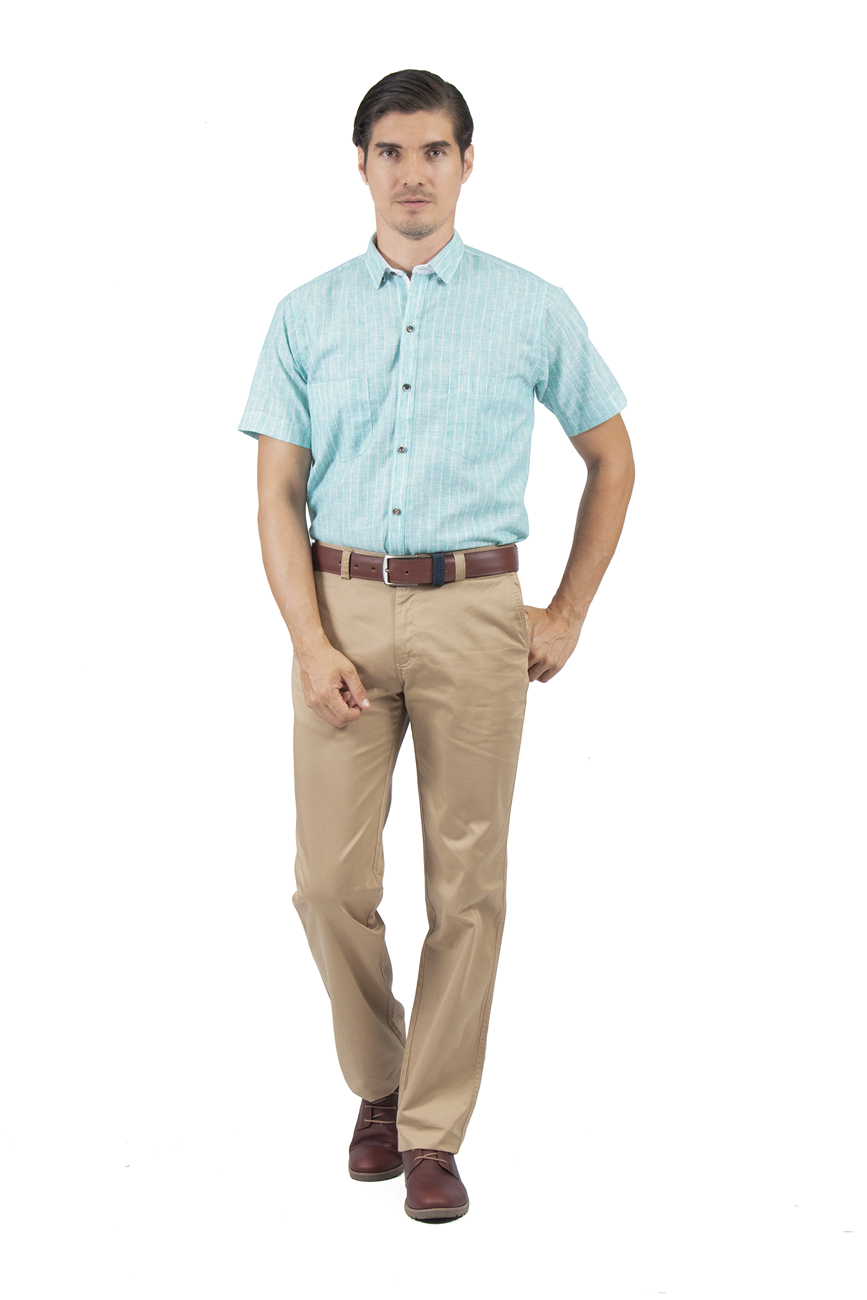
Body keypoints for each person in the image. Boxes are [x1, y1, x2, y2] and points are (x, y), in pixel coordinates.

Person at [238, 68, 635, 1223]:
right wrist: (309, 641)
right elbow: (276, 495)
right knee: (328, 884)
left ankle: (431, 1131)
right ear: (361, 164)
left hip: (476, 610)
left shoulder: (531, 307)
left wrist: (567, 611)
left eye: (434, 151)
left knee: (468, 886)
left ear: (467, 163)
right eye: (391, 151)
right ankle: (381, 1079)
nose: (412, 173)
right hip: (341, 610)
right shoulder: (305, 314)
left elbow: (613, 457)